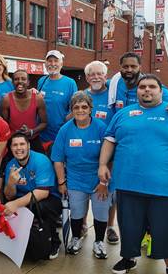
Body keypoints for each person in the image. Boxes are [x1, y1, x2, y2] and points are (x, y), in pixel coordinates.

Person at [99, 74, 168, 274]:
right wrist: (102, 165)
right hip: (128, 183)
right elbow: (110, 140)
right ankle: (129, 258)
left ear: (161, 91)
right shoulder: (123, 114)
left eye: (152, 86)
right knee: (129, 226)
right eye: (142, 87)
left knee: (166, 228)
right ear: (136, 91)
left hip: (165, 186)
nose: (146, 90)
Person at [51, 92, 110, 258]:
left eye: (84, 107)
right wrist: (62, 183)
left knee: (100, 212)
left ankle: (99, 241)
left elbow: (110, 157)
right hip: (76, 179)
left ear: (91, 109)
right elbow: (57, 159)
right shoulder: (65, 130)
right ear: (71, 110)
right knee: (76, 212)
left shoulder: (101, 128)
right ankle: (75, 238)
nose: (80, 110)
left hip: (99, 180)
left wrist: (104, 182)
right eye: (76, 107)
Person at [3, 132, 62, 260]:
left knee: (39, 207)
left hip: (48, 198)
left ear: (29, 145)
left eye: (22, 144)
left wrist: (16, 204)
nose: (19, 148)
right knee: (6, 206)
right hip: (24, 199)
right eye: (15, 145)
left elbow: (42, 192)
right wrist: (11, 184)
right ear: (11, 148)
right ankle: (24, 241)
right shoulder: (10, 166)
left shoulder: (41, 160)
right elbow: (8, 196)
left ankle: (53, 240)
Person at [84, 61, 119, 244]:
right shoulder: (81, 96)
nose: (96, 77)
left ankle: (110, 227)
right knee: (85, 190)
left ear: (106, 76)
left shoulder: (113, 95)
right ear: (87, 77)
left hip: (110, 151)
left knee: (109, 192)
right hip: (86, 151)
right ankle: (81, 224)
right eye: (92, 74)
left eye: (99, 74)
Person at [108, 52, 168, 117]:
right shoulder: (114, 84)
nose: (129, 70)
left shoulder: (151, 86)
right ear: (120, 68)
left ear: (140, 68)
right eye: (125, 67)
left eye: (133, 66)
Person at [37, 50, 77, 151]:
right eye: (50, 61)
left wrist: (63, 122)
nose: (53, 64)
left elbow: (75, 108)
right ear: (45, 63)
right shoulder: (42, 81)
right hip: (41, 134)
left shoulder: (70, 83)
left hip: (60, 135)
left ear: (61, 63)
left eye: (56, 61)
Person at [1, 69, 47, 153]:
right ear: (13, 82)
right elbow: (4, 124)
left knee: (42, 162)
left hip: (32, 139)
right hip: (14, 141)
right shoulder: (7, 99)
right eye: (16, 79)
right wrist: (15, 133)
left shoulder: (37, 98)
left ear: (28, 82)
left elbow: (44, 123)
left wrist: (32, 131)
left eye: (23, 79)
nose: (20, 81)